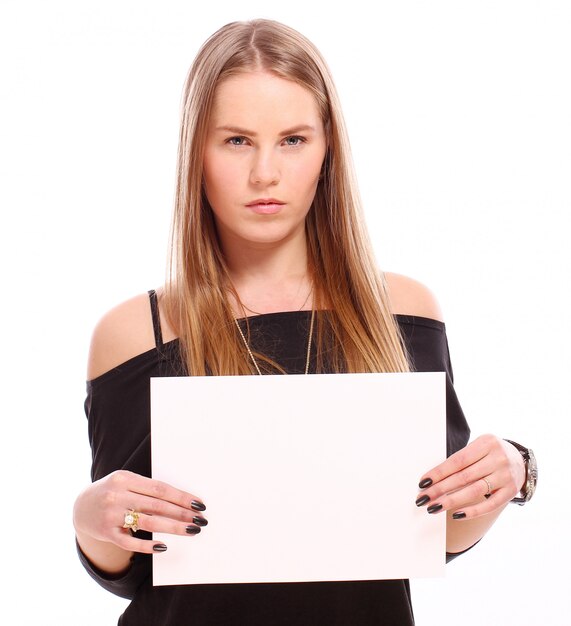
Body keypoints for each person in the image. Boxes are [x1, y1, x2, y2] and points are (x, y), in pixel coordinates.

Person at [73, 18, 537, 625]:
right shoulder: (138, 331)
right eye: (236, 140)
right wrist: (90, 519)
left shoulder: (402, 311)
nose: (265, 173)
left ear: (327, 151)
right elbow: (131, 569)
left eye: (292, 139)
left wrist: (511, 471)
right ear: (196, 154)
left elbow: (438, 532)